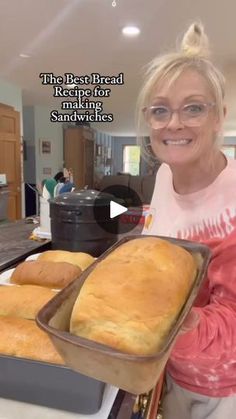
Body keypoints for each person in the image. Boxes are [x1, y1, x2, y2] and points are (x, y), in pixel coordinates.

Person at [137, 22, 236, 419]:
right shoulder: (164, 175)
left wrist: (173, 322)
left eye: (193, 107)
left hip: (225, 391)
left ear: (219, 117)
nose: (173, 123)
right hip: (169, 372)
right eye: (160, 110)